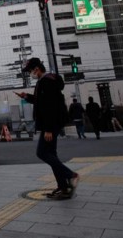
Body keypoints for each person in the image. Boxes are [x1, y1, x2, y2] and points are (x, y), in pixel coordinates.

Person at [16, 57, 79, 200]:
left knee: (42, 153)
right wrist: (27, 97)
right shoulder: (47, 80)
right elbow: (42, 101)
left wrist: (49, 129)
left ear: (36, 69)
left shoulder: (46, 82)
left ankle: (71, 176)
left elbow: (50, 107)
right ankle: (63, 187)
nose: (30, 74)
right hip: (53, 123)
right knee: (51, 154)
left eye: (30, 71)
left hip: (50, 124)